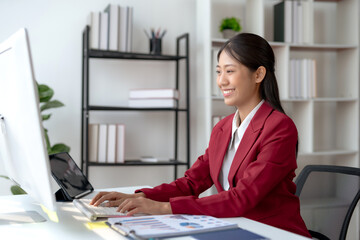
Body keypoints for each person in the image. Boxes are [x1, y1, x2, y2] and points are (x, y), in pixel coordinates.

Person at [90, 33, 311, 238]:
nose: (221, 81)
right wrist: (142, 197)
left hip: (274, 232)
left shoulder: (280, 128)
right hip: (237, 226)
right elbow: (190, 183)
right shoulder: (222, 128)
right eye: (219, 71)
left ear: (259, 74)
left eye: (230, 71)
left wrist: (164, 208)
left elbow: (242, 198)